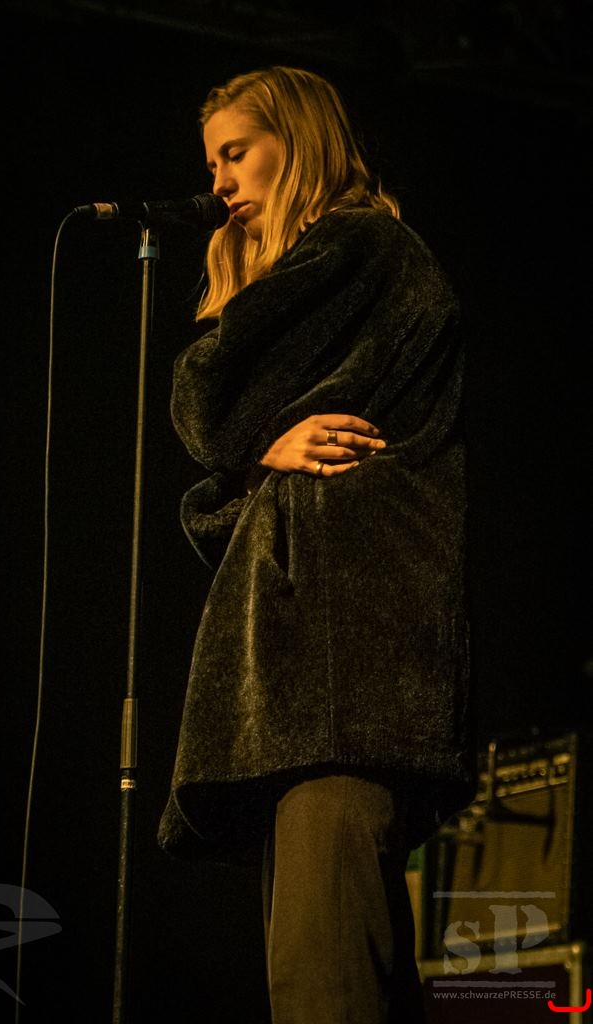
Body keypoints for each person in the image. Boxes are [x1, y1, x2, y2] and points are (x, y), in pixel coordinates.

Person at [157, 65, 476, 1023]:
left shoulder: (364, 250)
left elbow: (212, 391)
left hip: (349, 682)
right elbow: (222, 498)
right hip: (312, 693)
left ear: (297, 142)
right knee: (333, 973)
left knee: (322, 982)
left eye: (236, 153)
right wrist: (261, 455)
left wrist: (245, 441)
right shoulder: (340, 272)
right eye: (211, 164)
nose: (218, 184)